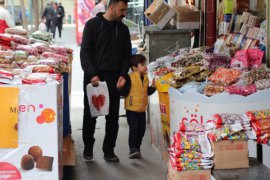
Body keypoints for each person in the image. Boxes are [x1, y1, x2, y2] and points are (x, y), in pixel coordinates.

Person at [80, 0, 131, 162]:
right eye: (122, 10)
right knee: (90, 115)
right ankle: (88, 148)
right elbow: (85, 52)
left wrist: (123, 74)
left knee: (113, 117)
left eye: (125, 10)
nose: (124, 13)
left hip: (114, 79)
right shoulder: (92, 25)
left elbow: (126, 55)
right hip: (94, 78)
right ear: (111, 8)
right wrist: (92, 74)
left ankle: (109, 150)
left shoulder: (123, 29)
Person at [117, 54, 156, 159]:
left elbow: (146, 92)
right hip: (131, 110)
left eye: (145, 64)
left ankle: (137, 148)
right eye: (142, 64)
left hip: (142, 109)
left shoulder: (146, 78)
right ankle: (132, 149)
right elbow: (123, 92)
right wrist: (119, 87)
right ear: (134, 67)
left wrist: (153, 87)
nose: (145, 66)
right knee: (134, 129)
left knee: (142, 130)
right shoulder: (129, 78)